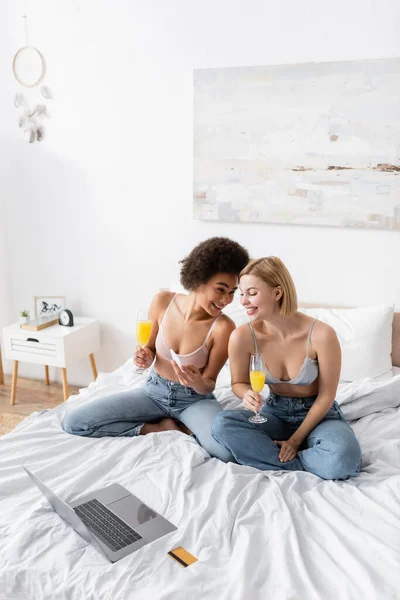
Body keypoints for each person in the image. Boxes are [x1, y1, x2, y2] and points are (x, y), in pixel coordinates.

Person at [63, 237, 249, 462]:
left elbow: (209, 382)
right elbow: (148, 349)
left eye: (232, 292)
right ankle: (160, 428)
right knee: (75, 423)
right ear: (199, 279)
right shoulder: (163, 302)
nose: (226, 300)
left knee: (226, 453)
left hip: (194, 400)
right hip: (153, 392)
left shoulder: (223, 327)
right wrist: (144, 356)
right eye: (221, 289)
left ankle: (187, 425)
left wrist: (196, 382)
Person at [212, 257, 362, 479]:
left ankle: (279, 458)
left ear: (277, 293)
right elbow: (238, 383)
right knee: (222, 424)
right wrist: (247, 395)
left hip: (319, 415)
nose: (243, 301)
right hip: (274, 413)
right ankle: (306, 462)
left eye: (251, 293)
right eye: (241, 293)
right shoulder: (242, 337)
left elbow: (327, 395)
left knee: (343, 459)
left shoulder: (321, 335)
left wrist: (295, 441)